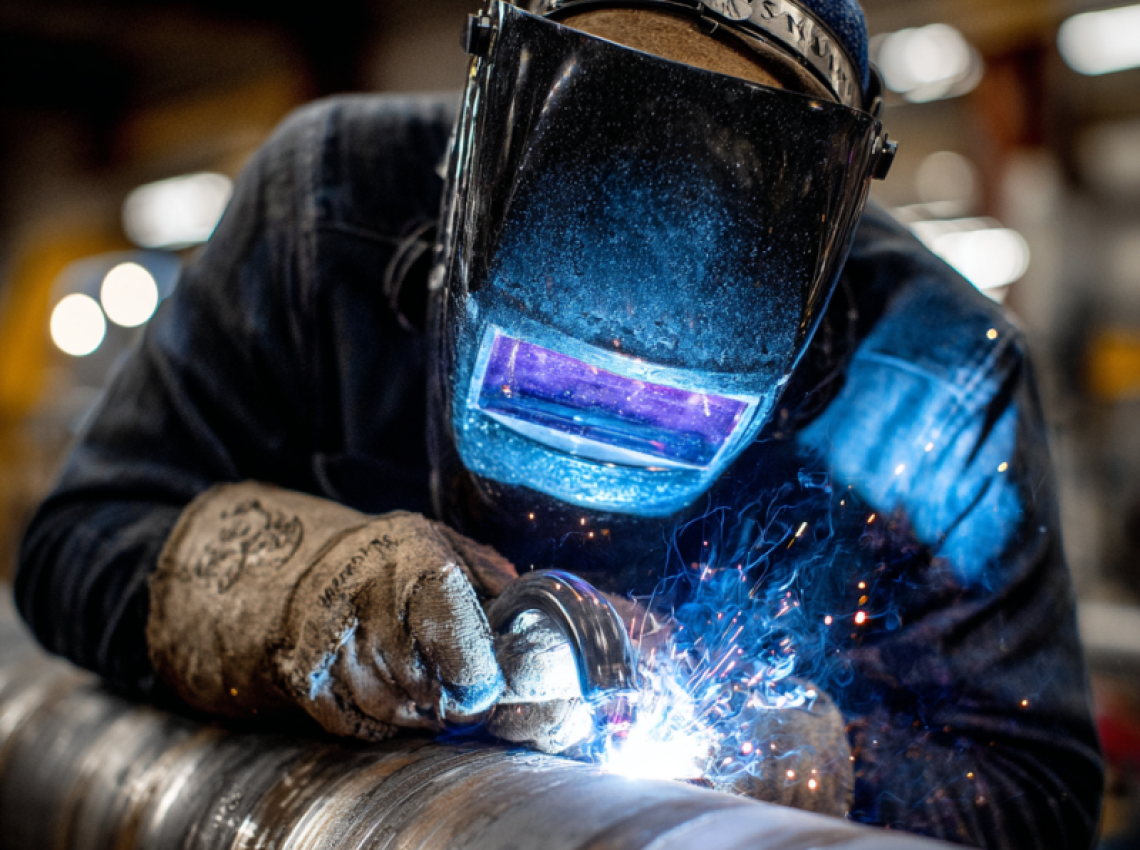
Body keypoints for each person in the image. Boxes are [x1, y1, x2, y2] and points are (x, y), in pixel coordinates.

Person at [15, 0, 1102, 846]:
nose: (574, 481)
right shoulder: (328, 207)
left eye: (670, 413)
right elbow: (78, 540)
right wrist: (301, 585)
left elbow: (1035, 793)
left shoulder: (933, 386)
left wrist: (797, 754)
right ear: (474, 187)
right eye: (539, 377)